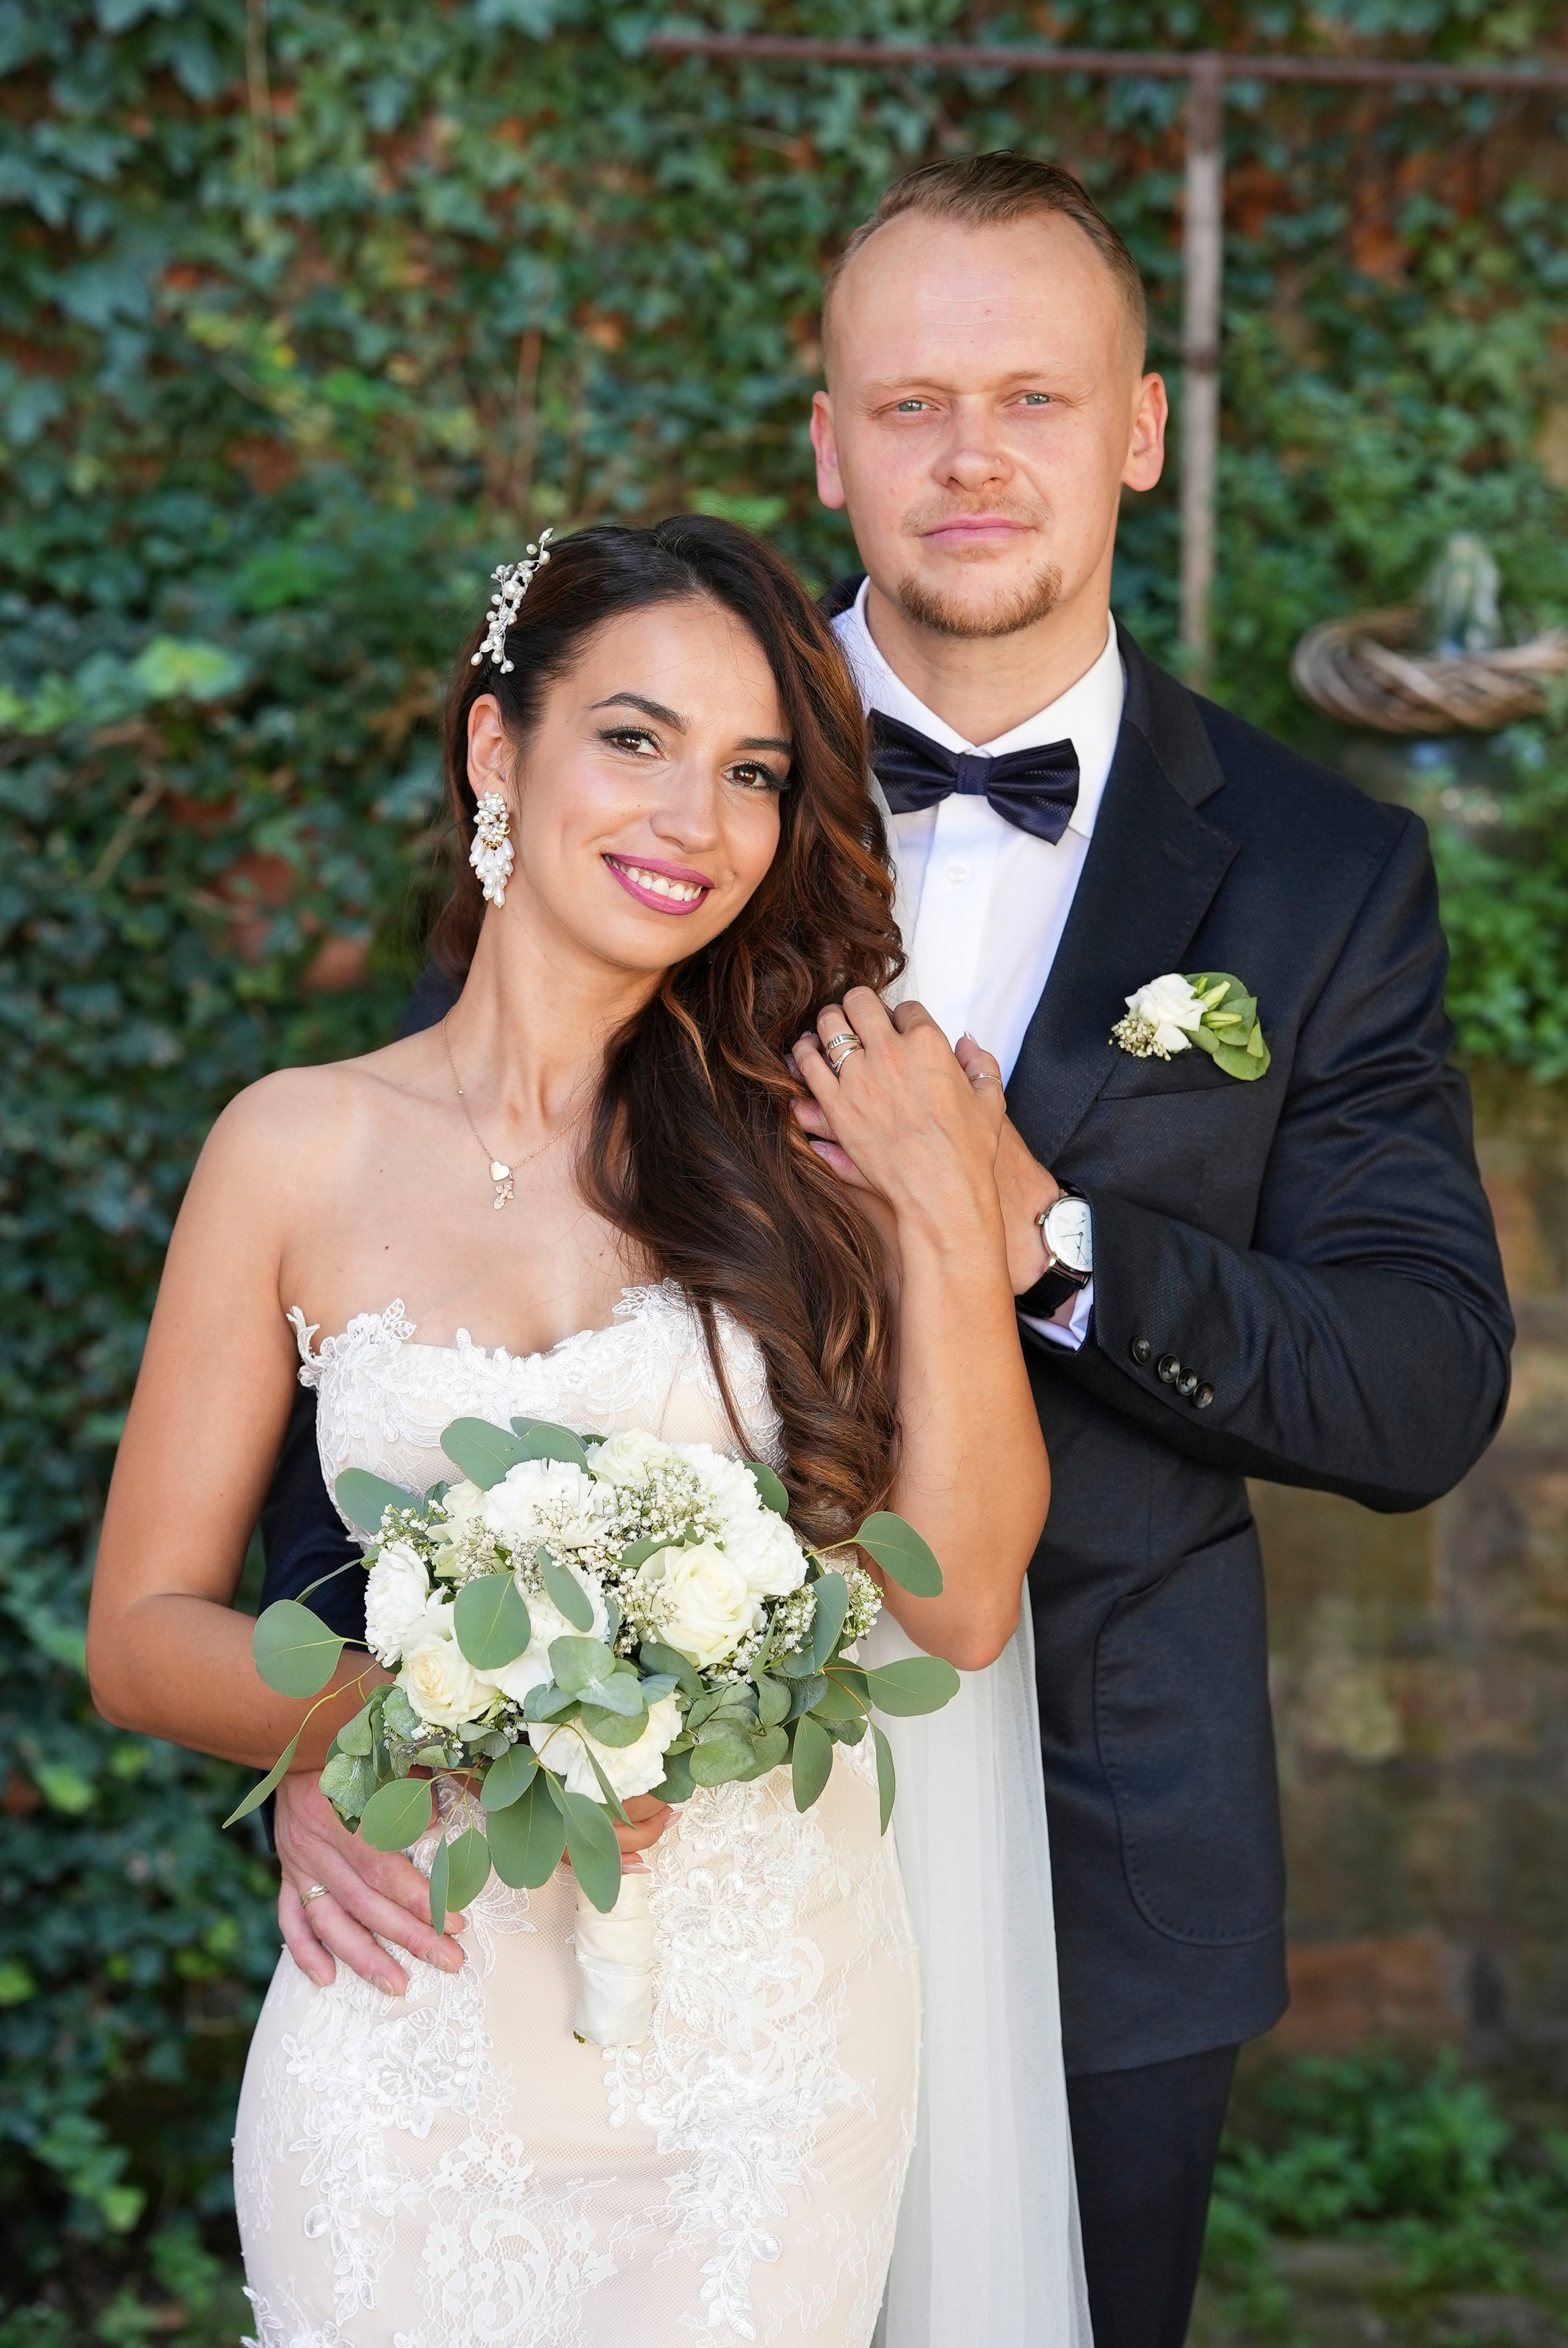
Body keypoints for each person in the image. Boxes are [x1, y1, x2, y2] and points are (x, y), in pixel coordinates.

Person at [246, 154, 1514, 2347]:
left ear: (1140, 429)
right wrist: (325, 1725)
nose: (971, 454)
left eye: (1035, 397)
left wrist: (1047, 1235)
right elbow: (386, 1257)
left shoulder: (1323, 877)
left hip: (1101, 1860)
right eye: (912, 403)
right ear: (828, 443)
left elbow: (1418, 1382)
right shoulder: (639, 777)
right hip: (607, 1849)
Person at [86, 515, 1076, 2347]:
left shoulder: (823, 1133)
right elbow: (142, 1635)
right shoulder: (291, 1146)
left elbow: (959, 1601)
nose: (696, 819)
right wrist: (433, 1718)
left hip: (764, 2057)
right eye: (635, 738)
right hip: (413, 2024)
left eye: (753, 772)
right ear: (498, 746)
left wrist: (947, 1212)